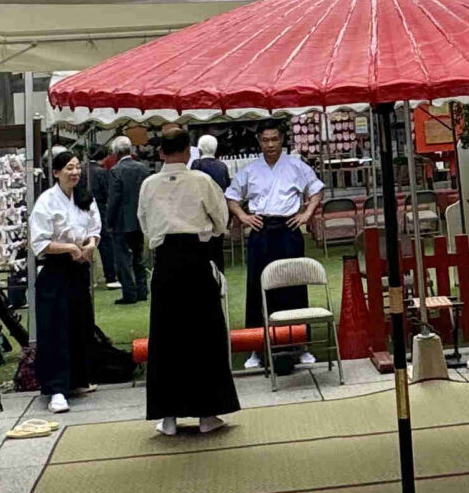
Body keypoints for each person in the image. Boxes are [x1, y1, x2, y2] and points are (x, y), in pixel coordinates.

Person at [140, 126, 240, 437]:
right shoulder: (202, 181)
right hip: (196, 260)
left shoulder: (148, 185)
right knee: (203, 337)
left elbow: (144, 222)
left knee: (166, 338)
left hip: (166, 263)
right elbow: (221, 221)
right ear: (188, 151)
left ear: (160, 152)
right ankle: (206, 414)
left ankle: (167, 416)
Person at [227, 122, 326, 371]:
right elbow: (231, 196)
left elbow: (316, 191)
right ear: (259, 142)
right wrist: (244, 216)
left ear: (282, 140)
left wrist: (307, 214)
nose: (270, 145)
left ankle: (300, 344)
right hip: (261, 230)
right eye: (265, 140)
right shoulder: (250, 170)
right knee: (258, 288)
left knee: (293, 286)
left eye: (274, 139)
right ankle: (256, 348)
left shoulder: (296, 165)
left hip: (288, 229)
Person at [28, 148, 100, 412]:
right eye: (69, 168)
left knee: (80, 323)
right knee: (55, 328)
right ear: (56, 173)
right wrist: (69, 248)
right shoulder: (46, 201)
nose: (75, 172)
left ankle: (78, 379)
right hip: (56, 270)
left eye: (77, 167)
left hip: (79, 268)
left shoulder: (84, 198)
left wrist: (91, 244)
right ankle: (56, 388)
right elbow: (40, 242)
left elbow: (94, 229)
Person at [104, 133, 155, 305]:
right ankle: (142, 290)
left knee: (122, 259)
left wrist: (109, 221)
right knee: (138, 257)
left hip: (121, 221)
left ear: (115, 153)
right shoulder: (142, 168)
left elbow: (113, 199)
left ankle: (129, 293)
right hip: (139, 220)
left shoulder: (116, 171)